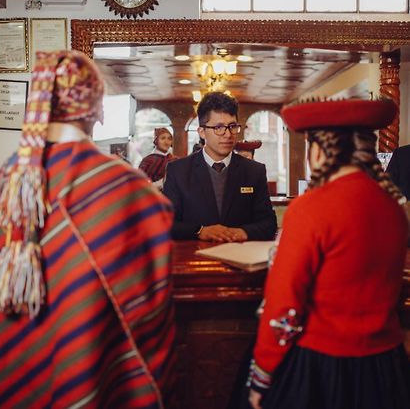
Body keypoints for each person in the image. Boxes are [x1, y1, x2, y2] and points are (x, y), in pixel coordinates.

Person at [0, 51, 175, 409]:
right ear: (96, 109)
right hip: (89, 351)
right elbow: (148, 299)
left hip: (18, 349)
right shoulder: (124, 183)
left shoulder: (12, 173)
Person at [247, 98, 410, 409]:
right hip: (386, 366)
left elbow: (284, 303)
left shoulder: (311, 207)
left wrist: (263, 374)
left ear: (320, 150)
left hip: (323, 367)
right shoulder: (392, 206)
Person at [163, 91, 277, 242]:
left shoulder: (254, 171)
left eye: (232, 126)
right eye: (218, 127)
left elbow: (269, 223)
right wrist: (200, 231)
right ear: (202, 132)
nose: (228, 134)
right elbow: (166, 223)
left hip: (240, 257)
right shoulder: (178, 171)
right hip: (194, 258)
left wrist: (243, 232)